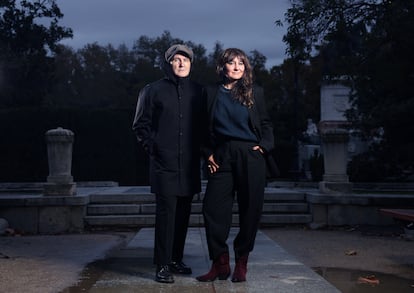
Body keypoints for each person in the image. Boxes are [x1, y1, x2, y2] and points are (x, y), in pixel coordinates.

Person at [196, 48, 275, 283]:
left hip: (250, 155)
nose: (237, 66)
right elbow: (199, 128)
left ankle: (242, 262)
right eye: (232, 62)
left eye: (242, 62)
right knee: (212, 209)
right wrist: (207, 154)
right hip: (222, 155)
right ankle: (220, 263)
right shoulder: (210, 93)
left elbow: (266, 124)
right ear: (223, 67)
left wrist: (264, 147)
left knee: (250, 210)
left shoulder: (254, 92)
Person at [132, 44, 203, 284]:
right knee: (166, 216)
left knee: (183, 215)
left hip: (190, 166)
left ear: (191, 64)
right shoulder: (152, 90)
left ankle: (175, 259)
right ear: (169, 63)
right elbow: (140, 126)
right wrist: (156, 150)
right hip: (164, 166)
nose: (181, 63)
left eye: (186, 60)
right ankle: (162, 264)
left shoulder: (198, 91)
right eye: (177, 60)